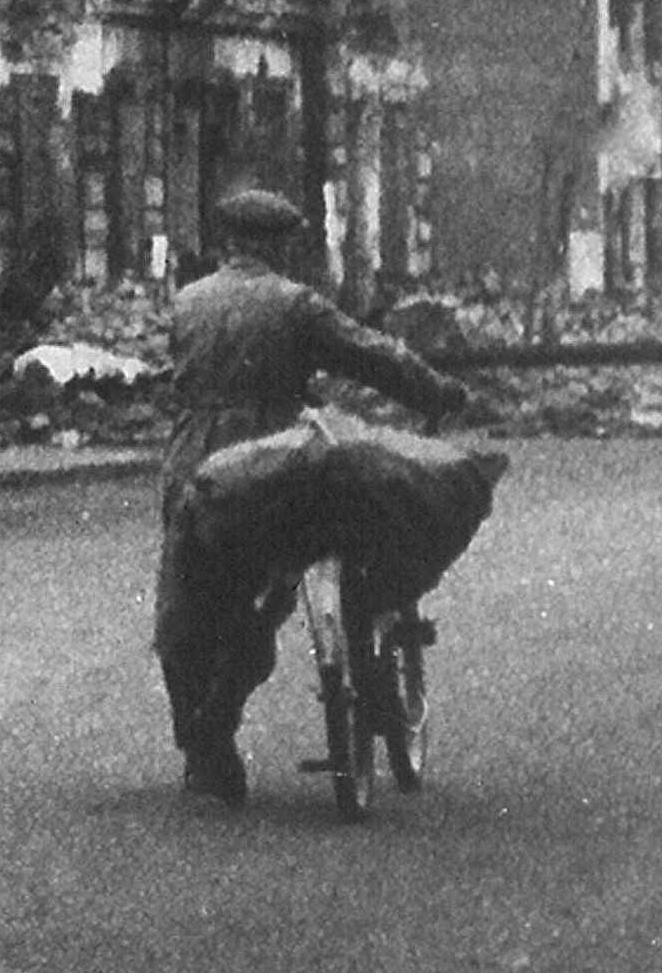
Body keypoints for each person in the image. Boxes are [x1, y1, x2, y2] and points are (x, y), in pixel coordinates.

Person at [156, 187, 466, 802]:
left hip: (193, 466)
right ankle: (218, 722)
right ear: (277, 246)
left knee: (186, 605)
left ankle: (199, 744)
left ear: (226, 244)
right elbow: (371, 357)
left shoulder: (186, 303)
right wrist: (436, 392)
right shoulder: (295, 304)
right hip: (266, 464)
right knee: (268, 596)